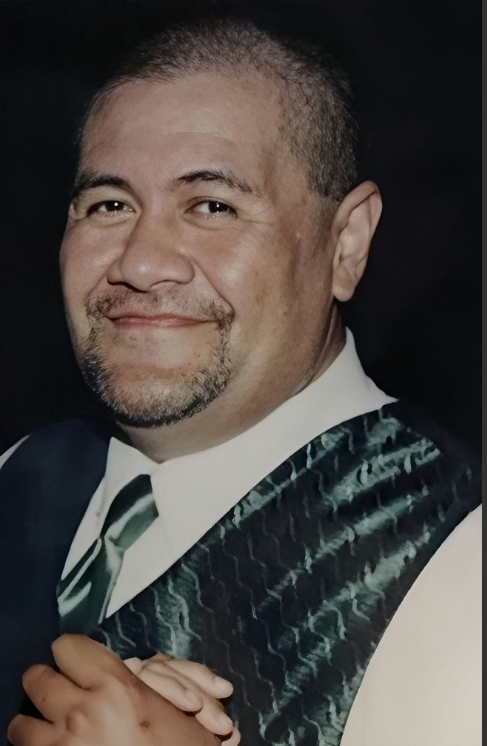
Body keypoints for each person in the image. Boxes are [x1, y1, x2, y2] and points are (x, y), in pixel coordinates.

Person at [0, 18, 481, 746]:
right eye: (109, 205)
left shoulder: (455, 563)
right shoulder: (24, 473)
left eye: (212, 206)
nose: (140, 263)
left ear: (346, 243)